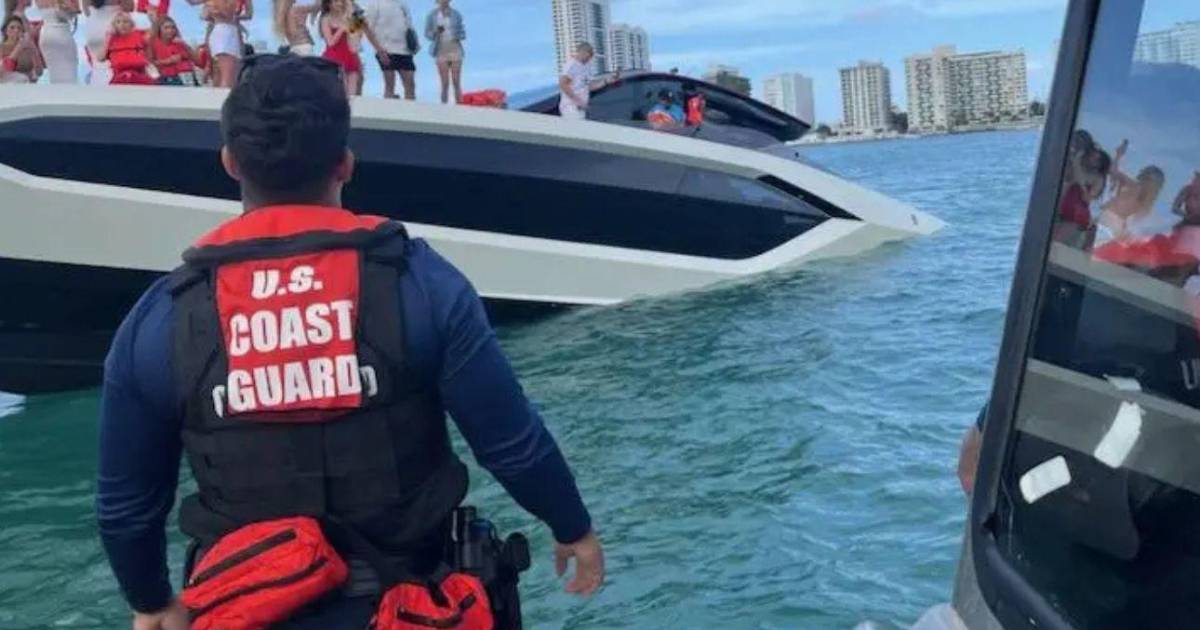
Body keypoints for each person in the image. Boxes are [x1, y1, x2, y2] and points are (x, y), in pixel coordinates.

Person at [96, 54, 606, 630]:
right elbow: (510, 442)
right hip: (412, 606)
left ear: (230, 163)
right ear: (345, 163)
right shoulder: (421, 283)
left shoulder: (163, 316)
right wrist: (572, 527)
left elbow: (126, 507)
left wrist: (151, 600)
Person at [1095, 140, 1166, 245]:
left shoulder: (1134, 186)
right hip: (1116, 227)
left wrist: (1118, 155)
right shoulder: (1147, 206)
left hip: (1108, 220)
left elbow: (1112, 171)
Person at [185, 0, 247, 87]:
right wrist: (215, 11)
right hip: (223, 33)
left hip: (231, 32)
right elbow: (201, 10)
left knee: (231, 75)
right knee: (227, 75)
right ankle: (224, 95)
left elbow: (247, 14)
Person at [362, 0, 415, 99]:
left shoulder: (402, 5)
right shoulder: (375, 4)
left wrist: (413, 46)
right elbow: (367, 29)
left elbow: (409, 28)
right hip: (386, 50)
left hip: (404, 50)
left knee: (410, 85)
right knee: (390, 84)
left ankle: (410, 108)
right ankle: (389, 107)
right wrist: (379, 49)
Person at [319, 0, 363, 96]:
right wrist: (341, 29)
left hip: (350, 57)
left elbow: (357, 37)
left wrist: (353, 16)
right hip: (334, 58)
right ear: (329, 3)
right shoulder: (326, 19)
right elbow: (330, 42)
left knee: (352, 95)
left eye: (342, 1)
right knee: (339, 92)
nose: (339, 4)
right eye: (336, 1)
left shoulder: (350, 17)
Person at [424, 0, 463, 104]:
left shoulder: (456, 14)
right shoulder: (432, 15)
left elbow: (462, 31)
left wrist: (458, 35)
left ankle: (460, 106)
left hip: (455, 48)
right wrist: (435, 32)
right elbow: (427, 34)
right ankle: (444, 108)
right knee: (444, 82)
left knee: (456, 81)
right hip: (440, 50)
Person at [100, 9, 153, 84]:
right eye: (118, 22)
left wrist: (152, 19)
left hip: (139, 74)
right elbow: (100, 58)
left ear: (131, 24)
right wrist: (107, 39)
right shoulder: (111, 39)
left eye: (125, 22)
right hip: (119, 75)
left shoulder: (139, 35)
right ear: (114, 25)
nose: (122, 25)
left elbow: (153, 33)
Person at [34, 0, 80, 83]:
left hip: (46, 33)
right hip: (61, 31)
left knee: (53, 73)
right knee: (69, 74)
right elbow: (74, 11)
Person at [148, 15, 195, 84]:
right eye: (166, 28)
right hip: (164, 78)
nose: (170, 30)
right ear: (159, 29)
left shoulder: (179, 43)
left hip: (184, 77)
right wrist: (168, 61)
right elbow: (149, 64)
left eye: (173, 27)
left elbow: (195, 59)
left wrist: (184, 44)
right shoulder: (152, 43)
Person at [557, 41, 593, 120]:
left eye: (590, 56)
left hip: (581, 107)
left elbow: (588, 86)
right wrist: (577, 101)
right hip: (570, 107)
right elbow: (563, 84)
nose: (589, 58)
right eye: (588, 55)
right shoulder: (571, 65)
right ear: (581, 52)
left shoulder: (587, 66)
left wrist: (607, 81)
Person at [0, 14, 41, 82]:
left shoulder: (28, 48)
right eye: (12, 27)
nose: (16, 30)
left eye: (19, 28)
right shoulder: (1, 48)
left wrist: (33, 50)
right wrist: (19, 47)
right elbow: (3, 70)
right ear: (5, 31)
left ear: (22, 31)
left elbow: (39, 72)